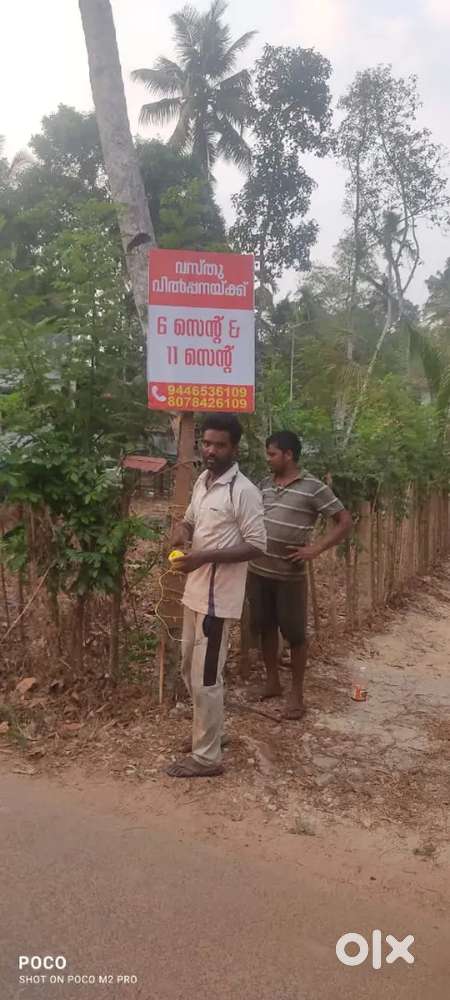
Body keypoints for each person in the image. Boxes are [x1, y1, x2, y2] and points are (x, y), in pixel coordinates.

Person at [167, 414, 266, 778]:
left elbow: (257, 545)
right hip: (193, 593)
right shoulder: (203, 481)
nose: (210, 450)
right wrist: (182, 531)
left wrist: (204, 557)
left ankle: (207, 757)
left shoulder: (243, 491)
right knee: (189, 670)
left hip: (216, 600)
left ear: (234, 448)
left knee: (206, 678)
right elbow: (191, 520)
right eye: (206, 443)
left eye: (219, 445)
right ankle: (208, 733)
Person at [248, 430, 352, 720]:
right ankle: (272, 681)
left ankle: (296, 693)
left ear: (289, 454)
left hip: (289, 575)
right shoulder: (265, 484)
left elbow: (344, 521)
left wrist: (315, 548)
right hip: (258, 569)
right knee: (264, 626)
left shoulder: (313, 488)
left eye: (272, 454)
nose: (268, 459)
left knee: (294, 634)